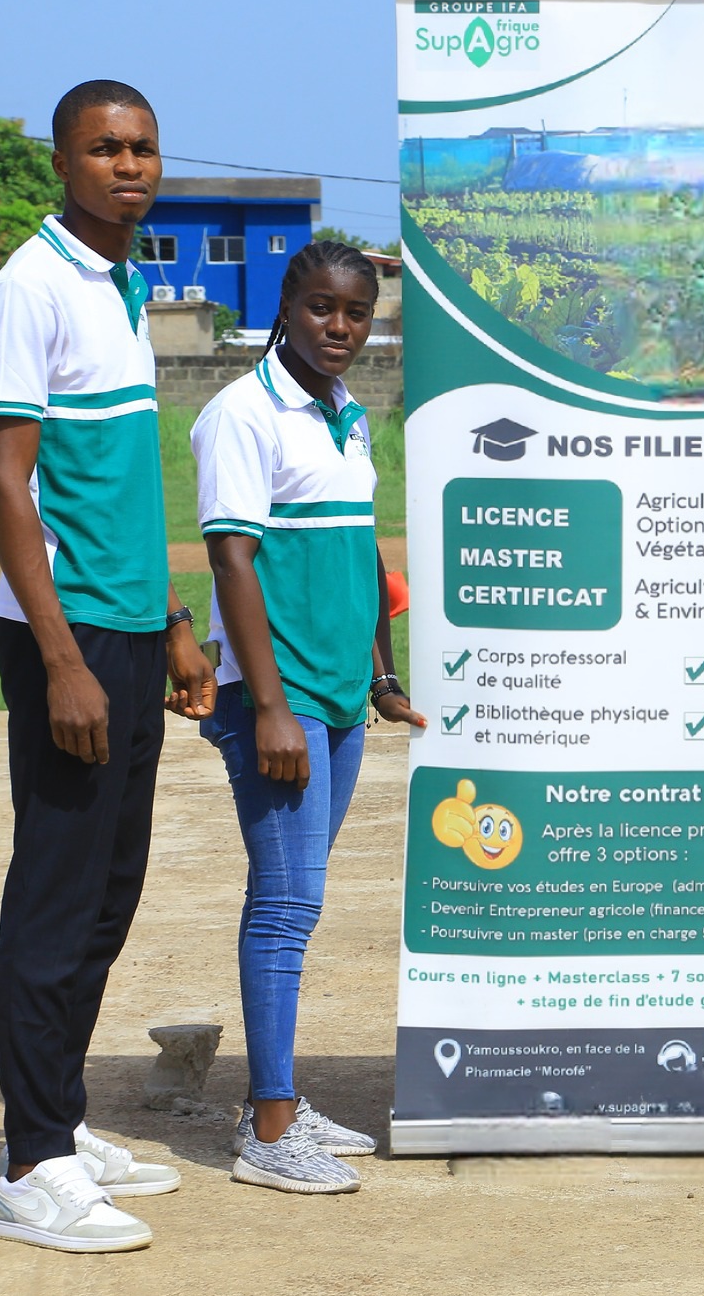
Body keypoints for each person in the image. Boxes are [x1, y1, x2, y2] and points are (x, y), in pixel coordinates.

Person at [0, 79, 216, 1253]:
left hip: (127, 627)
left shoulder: (123, 284)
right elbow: (3, 477)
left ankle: (59, 1120)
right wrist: (63, 659)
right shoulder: (30, 285)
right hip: (64, 639)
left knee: (109, 892)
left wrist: (169, 619)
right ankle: (29, 1167)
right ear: (62, 162)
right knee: (56, 895)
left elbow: (117, 486)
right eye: (104, 148)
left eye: (143, 148)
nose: (128, 165)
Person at [191, 240, 426, 1193]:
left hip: (334, 699)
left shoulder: (347, 413)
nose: (340, 326)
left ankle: (278, 1098)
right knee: (285, 905)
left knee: (299, 897)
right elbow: (232, 559)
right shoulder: (242, 414)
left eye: (357, 312)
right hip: (276, 703)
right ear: (286, 306)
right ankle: (270, 1125)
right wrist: (271, 706)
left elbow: (360, 551)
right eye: (322, 307)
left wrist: (382, 679)